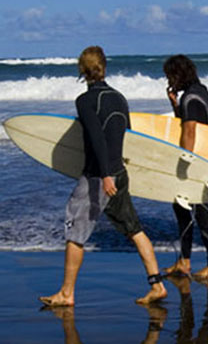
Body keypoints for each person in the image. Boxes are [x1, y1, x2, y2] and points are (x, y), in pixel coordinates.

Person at [39, 46, 167, 307]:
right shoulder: (119, 97)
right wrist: (116, 173)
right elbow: (127, 134)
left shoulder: (85, 101)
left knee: (75, 231)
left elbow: (97, 137)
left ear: (82, 70)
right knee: (134, 228)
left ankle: (66, 293)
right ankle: (157, 284)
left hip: (98, 177)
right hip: (119, 172)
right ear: (104, 67)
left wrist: (105, 175)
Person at [161, 54, 208, 279]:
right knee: (181, 208)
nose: (169, 80)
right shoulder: (201, 92)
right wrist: (175, 106)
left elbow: (189, 132)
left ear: (178, 75)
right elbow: (193, 122)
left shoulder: (190, 98)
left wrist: (183, 164)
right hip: (204, 158)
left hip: (196, 163)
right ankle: (184, 261)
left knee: (201, 214)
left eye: (170, 76)